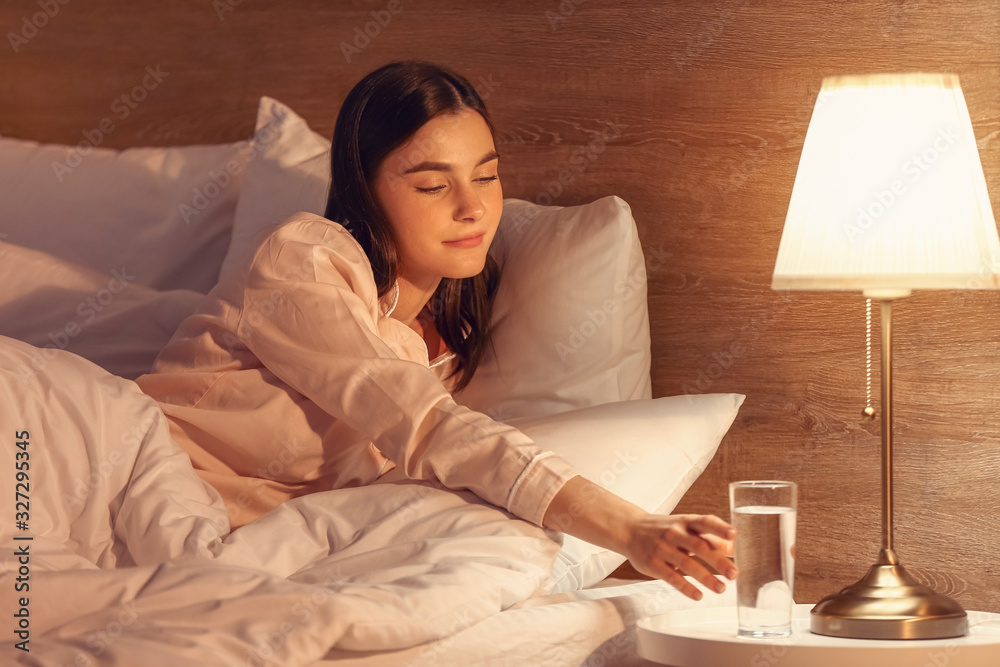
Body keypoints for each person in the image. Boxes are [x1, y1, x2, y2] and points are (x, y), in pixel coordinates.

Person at [136, 60, 737, 602]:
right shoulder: (305, 260)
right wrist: (630, 528)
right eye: (431, 185)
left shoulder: (453, 330)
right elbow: (428, 428)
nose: (472, 208)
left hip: (224, 536)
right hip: (129, 468)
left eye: (486, 176)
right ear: (363, 190)